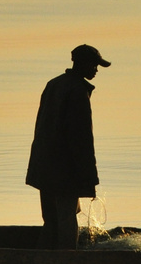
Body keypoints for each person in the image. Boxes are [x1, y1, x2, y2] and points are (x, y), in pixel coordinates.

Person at [27, 44, 108, 249]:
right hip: (64, 169)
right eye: (94, 66)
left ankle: (44, 259)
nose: (96, 70)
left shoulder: (53, 84)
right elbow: (81, 139)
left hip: (43, 165)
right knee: (66, 219)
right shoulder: (78, 92)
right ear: (83, 64)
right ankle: (67, 259)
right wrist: (89, 176)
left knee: (51, 220)